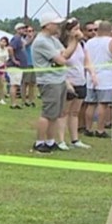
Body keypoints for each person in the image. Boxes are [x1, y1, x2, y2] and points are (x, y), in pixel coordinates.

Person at [30, 12, 83, 153]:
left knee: (56, 114)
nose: (58, 26)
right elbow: (62, 59)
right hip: (49, 81)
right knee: (47, 114)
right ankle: (39, 142)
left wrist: (74, 42)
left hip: (58, 79)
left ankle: (50, 141)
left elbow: (66, 53)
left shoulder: (52, 39)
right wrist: (73, 41)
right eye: (56, 24)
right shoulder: (41, 41)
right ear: (47, 25)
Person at [59, 18, 98, 150]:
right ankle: (61, 140)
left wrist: (92, 73)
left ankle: (75, 139)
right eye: (75, 29)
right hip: (68, 80)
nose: (78, 32)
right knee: (64, 112)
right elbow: (63, 59)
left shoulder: (82, 45)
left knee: (75, 112)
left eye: (79, 29)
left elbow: (86, 61)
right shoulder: (62, 45)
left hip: (80, 80)